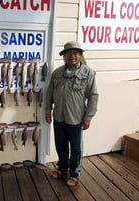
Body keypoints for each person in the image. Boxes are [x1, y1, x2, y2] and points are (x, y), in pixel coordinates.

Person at [45, 41, 98, 186]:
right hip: (59, 117)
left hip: (76, 119)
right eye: (68, 53)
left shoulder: (88, 73)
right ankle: (62, 168)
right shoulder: (57, 73)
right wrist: (47, 111)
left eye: (75, 53)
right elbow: (49, 94)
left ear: (80, 55)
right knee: (60, 145)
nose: (72, 56)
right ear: (64, 56)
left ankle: (74, 173)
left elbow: (93, 96)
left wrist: (88, 117)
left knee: (76, 148)